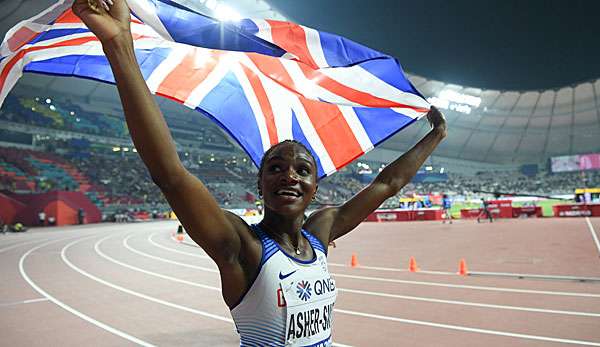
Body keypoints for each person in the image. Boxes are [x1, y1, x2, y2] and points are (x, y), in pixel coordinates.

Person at [73, 1, 447, 345]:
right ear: (260, 183)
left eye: (303, 170)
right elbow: (170, 174)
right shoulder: (240, 247)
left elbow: (387, 183)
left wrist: (436, 136)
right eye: (276, 168)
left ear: (314, 188)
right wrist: (119, 45)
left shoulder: (322, 232)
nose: (289, 176)